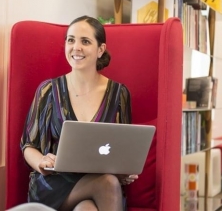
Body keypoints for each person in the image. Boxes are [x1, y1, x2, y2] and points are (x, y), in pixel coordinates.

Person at [20, 15, 138, 211]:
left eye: (85, 41)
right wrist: (42, 161)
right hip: (53, 185)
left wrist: (125, 171)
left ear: (100, 50)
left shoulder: (119, 94)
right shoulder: (48, 90)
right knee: (108, 183)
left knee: (87, 208)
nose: (76, 47)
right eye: (71, 40)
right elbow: (28, 145)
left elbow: (121, 149)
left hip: (98, 182)